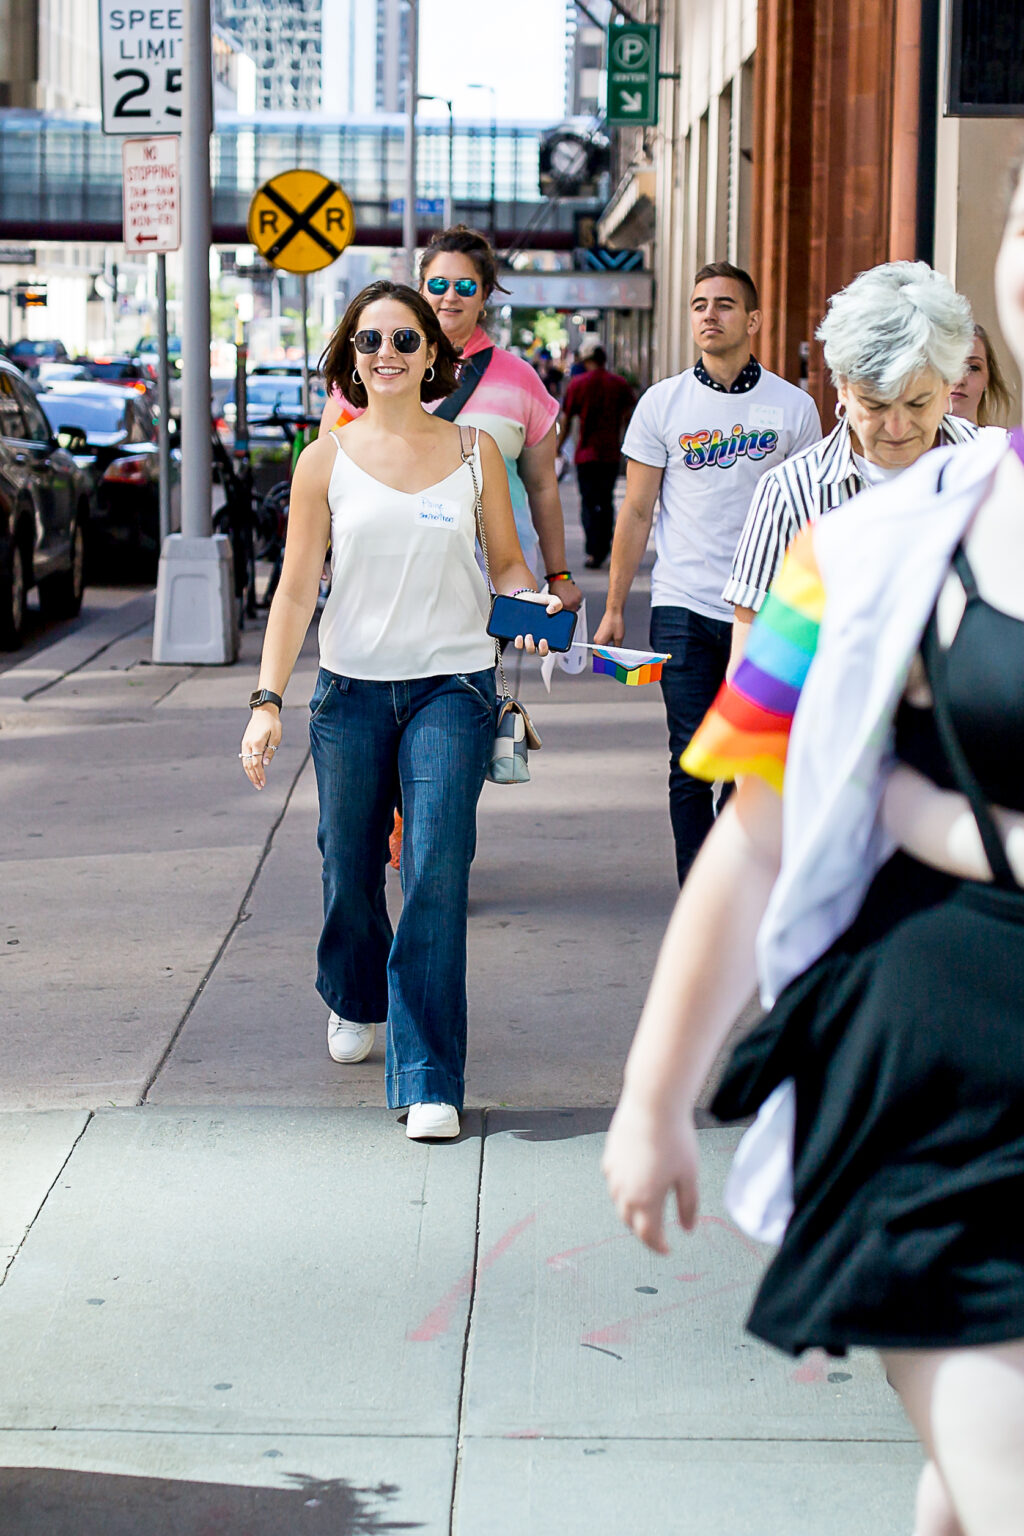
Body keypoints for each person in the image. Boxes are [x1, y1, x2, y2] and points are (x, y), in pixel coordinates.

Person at [603, 161, 1024, 1536]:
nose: (898, 423)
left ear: (961, 380)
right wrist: (658, 1094)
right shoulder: (851, 543)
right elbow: (758, 825)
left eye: (921, 399)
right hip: (945, 1087)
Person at [241, 281, 562, 1143]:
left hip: (452, 689)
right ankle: (353, 993)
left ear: (434, 356)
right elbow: (297, 587)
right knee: (347, 862)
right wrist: (268, 700)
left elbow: (504, 563)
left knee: (433, 870)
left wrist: (535, 610)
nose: (387, 354)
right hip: (349, 693)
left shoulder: (472, 452)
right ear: (352, 354)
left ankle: (428, 1076)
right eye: (371, 340)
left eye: (406, 341)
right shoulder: (325, 459)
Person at [594, 260, 821, 885]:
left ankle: (737, 879)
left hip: (769, 609)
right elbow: (637, 511)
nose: (709, 315)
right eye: (698, 305)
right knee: (691, 759)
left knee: (750, 761)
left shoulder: (794, 407)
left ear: (752, 319)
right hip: (684, 604)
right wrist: (615, 606)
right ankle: (699, 888)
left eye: (723, 304)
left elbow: (810, 516)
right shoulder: (664, 404)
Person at [320, 225, 582, 617]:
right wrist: (320, 549)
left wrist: (558, 573)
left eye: (465, 286)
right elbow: (328, 470)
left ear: (486, 296)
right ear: (421, 289)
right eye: (438, 283)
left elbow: (543, 485)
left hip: (496, 578)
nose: (450, 296)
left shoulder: (521, 379)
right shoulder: (381, 369)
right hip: (388, 567)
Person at [725, 262, 978, 665]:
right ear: (842, 387)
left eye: (918, 403)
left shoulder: (995, 472)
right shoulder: (792, 491)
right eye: (875, 405)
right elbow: (752, 658)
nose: (897, 427)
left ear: (950, 384)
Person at [557, 340, 635, 570]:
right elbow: (629, 416)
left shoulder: (578, 384)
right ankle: (604, 546)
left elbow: (567, 417)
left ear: (588, 360)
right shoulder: (619, 384)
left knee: (589, 503)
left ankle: (593, 551)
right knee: (606, 500)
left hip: (586, 455)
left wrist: (558, 446)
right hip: (610, 454)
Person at [949, 322, 1013, 428]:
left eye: (973, 367)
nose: (959, 380)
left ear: (988, 379)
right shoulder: (913, 443)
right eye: (949, 365)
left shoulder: (1003, 443)